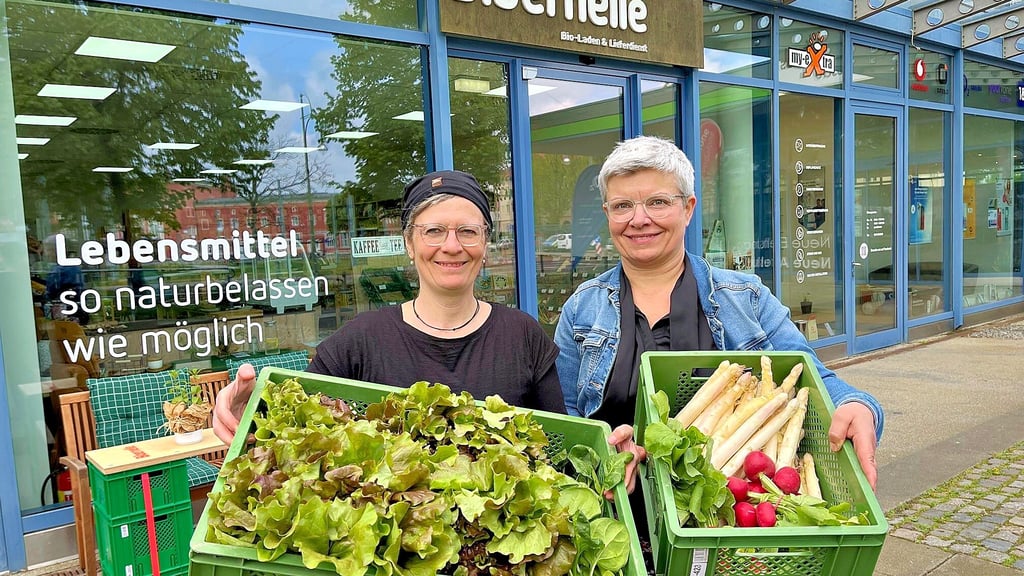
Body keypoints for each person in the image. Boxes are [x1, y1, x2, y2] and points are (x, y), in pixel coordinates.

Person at [554, 136, 884, 491]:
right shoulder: (582, 309)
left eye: (658, 202)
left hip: (729, 513)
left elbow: (814, 379)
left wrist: (858, 405)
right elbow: (566, 418)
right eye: (622, 206)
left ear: (689, 208)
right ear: (607, 214)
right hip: (615, 509)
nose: (639, 219)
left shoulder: (746, 297)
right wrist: (603, 455)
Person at [214, 170, 565, 443]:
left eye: (468, 232)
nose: (452, 246)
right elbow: (293, 429)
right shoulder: (361, 341)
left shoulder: (522, 335)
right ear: (409, 244)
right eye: (434, 231)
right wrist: (250, 415)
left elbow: (560, 447)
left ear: (485, 243)